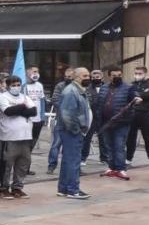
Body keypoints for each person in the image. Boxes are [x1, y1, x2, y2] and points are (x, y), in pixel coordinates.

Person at [0, 75, 37, 200]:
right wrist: (23, 107)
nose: (16, 87)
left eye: (18, 84)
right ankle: (3, 189)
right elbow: (8, 111)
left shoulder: (25, 97)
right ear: (8, 86)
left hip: (25, 137)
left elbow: (33, 111)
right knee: (7, 163)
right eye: (13, 85)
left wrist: (19, 109)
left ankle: (17, 188)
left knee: (23, 164)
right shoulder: (3, 97)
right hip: (9, 137)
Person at [55, 68, 93, 200]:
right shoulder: (71, 92)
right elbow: (68, 115)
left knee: (68, 160)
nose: (87, 77)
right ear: (76, 77)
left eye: (88, 75)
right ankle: (73, 189)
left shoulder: (79, 90)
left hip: (73, 131)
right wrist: (77, 130)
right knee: (73, 160)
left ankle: (64, 188)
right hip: (71, 131)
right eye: (84, 75)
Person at [95, 65, 137, 181]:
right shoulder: (104, 88)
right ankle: (111, 167)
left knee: (119, 146)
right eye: (114, 75)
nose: (117, 77)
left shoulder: (129, 88)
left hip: (121, 123)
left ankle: (121, 169)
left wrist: (138, 99)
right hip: (106, 122)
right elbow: (99, 104)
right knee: (109, 146)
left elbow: (135, 97)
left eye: (119, 75)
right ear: (109, 76)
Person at [127, 65, 149, 170]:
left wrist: (138, 96)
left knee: (148, 139)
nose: (137, 75)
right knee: (130, 138)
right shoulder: (132, 85)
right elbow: (129, 95)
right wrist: (140, 95)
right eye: (136, 73)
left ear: (145, 74)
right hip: (133, 114)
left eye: (140, 73)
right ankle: (128, 159)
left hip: (146, 114)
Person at [45, 68, 75, 175]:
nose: (67, 78)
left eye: (70, 77)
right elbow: (55, 99)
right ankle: (51, 166)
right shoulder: (60, 86)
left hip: (74, 121)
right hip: (61, 119)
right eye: (66, 77)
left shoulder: (78, 86)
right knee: (56, 144)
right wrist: (66, 109)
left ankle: (71, 166)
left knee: (72, 145)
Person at [83, 69, 107, 165]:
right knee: (87, 138)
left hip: (103, 117)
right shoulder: (87, 88)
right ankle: (83, 157)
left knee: (103, 138)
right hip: (91, 116)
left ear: (101, 77)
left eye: (97, 77)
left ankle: (104, 158)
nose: (95, 79)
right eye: (93, 77)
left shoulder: (106, 88)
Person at [24, 66, 46, 149]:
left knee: (34, 139)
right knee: (26, 140)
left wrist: (43, 116)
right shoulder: (23, 85)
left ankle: (28, 153)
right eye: (34, 71)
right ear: (27, 72)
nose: (36, 73)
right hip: (27, 119)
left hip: (38, 119)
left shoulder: (39, 85)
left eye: (37, 71)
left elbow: (42, 100)